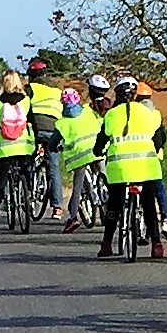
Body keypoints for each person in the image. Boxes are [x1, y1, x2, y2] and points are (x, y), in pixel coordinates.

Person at [93, 76, 167, 258]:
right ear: (135, 95)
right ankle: (157, 245)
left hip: (119, 169)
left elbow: (101, 141)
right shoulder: (148, 113)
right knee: (149, 205)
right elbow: (160, 139)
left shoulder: (111, 115)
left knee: (114, 204)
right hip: (146, 167)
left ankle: (106, 244)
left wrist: (98, 151)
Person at [0, 70, 35, 231]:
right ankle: (28, 196)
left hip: (3, 148)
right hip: (23, 146)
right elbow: (33, 121)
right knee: (25, 172)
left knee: (0, 184)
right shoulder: (26, 101)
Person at [52, 89, 104, 233]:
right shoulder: (88, 111)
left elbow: (53, 143)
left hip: (78, 157)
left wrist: (53, 147)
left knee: (77, 188)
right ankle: (107, 196)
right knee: (104, 174)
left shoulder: (61, 123)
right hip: (95, 150)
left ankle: (73, 217)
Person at [135, 81, 167, 243]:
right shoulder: (155, 114)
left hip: (134, 158)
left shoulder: (133, 114)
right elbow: (161, 138)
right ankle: (166, 219)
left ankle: (136, 222)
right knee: (159, 190)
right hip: (153, 159)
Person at [25, 59, 65, 220]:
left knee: (27, 161)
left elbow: (24, 108)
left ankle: (27, 194)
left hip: (35, 129)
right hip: (54, 130)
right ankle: (57, 207)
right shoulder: (57, 91)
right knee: (53, 168)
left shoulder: (30, 88)